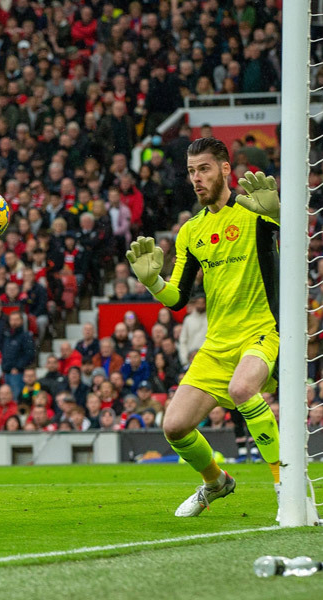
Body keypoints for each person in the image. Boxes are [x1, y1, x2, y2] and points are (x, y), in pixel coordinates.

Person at [126, 137, 281, 518]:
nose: (196, 178)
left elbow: (291, 245)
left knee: (242, 389)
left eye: (205, 169)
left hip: (263, 330)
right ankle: (216, 481)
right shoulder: (191, 231)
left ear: (225, 169)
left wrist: (279, 216)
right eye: (192, 171)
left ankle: (286, 486)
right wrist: (153, 282)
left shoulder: (253, 209)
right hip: (217, 344)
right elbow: (178, 297)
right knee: (174, 426)